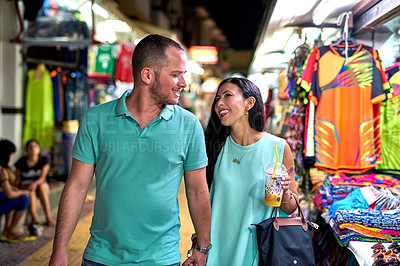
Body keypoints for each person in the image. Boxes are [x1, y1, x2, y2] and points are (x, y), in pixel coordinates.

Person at [49, 34, 211, 266]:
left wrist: (202, 248)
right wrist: (59, 250)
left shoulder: (189, 125)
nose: (183, 83)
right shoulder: (96, 119)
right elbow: (76, 187)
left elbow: (197, 191)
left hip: (162, 259)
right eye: (176, 75)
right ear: (147, 75)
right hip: (101, 256)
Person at [203, 77, 299, 265]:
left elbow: (291, 208)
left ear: (249, 102)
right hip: (218, 251)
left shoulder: (278, 148)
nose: (219, 103)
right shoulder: (214, 147)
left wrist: (286, 191)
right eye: (217, 98)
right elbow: (203, 201)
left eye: (227, 96)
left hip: (259, 250)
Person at [15, 139, 56, 229]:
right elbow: (17, 180)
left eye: (35, 146)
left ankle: (48, 217)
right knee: (31, 189)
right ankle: (34, 218)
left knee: (40, 186)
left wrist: (35, 183)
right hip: (27, 186)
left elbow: (42, 178)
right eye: (30, 147)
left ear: (39, 149)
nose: (33, 149)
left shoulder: (44, 160)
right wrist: (19, 188)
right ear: (26, 150)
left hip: (41, 185)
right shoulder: (21, 162)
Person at [0, 139, 31, 241]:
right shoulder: (2, 171)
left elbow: (6, 187)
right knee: (23, 199)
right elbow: (9, 194)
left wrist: (15, 189)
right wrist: (23, 192)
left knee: (13, 196)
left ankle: (7, 229)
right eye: (12, 154)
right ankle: (12, 229)